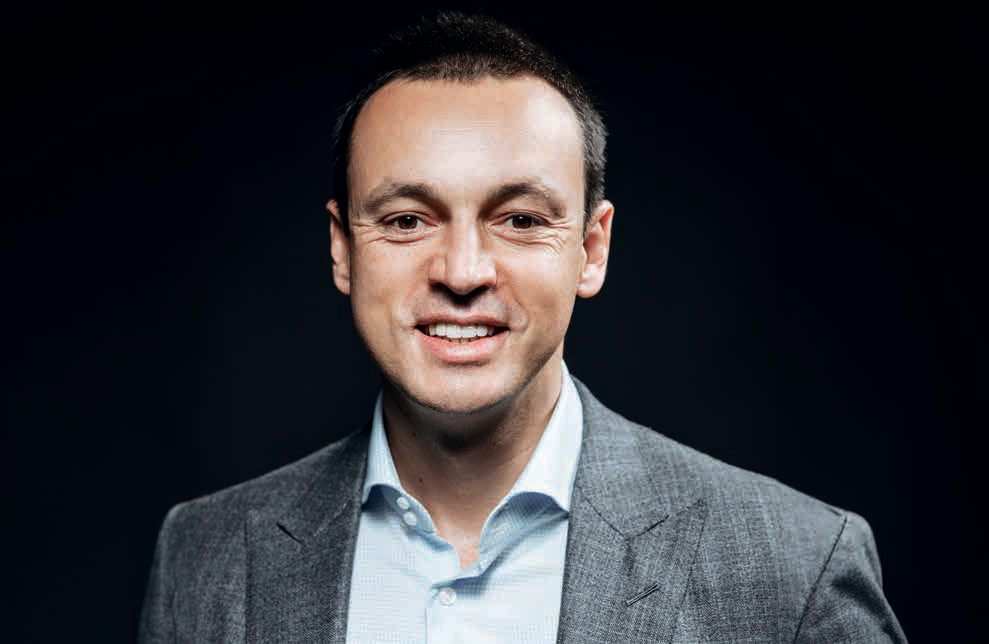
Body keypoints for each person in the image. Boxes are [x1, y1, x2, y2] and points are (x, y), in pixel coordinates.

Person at [139, 12, 905, 643]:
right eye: (406, 219)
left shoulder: (792, 570)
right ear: (342, 249)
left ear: (590, 250)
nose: (463, 271)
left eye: (520, 219)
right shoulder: (204, 557)